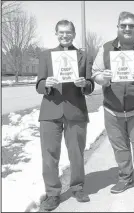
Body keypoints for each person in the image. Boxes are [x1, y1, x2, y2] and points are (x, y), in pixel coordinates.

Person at [92, 11, 134, 203]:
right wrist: (103, 79)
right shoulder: (105, 48)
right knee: (120, 148)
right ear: (118, 28)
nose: (127, 28)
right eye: (123, 25)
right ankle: (125, 177)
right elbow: (95, 73)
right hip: (112, 109)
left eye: (131, 25)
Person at [36, 20, 94, 211]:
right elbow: (39, 85)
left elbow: (91, 85)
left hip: (75, 111)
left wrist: (84, 84)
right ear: (56, 33)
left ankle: (77, 187)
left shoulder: (83, 57)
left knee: (76, 153)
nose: (65, 35)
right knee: (50, 154)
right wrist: (47, 84)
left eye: (68, 32)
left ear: (74, 33)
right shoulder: (46, 56)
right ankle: (53, 193)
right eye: (61, 32)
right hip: (50, 110)